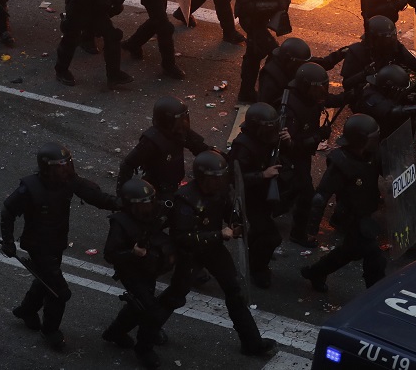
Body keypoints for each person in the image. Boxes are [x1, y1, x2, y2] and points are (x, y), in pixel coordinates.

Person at [0, 142, 121, 351]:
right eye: (59, 166)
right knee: (59, 292)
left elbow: (95, 197)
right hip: (38, 246)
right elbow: (8, 211)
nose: (64, 170)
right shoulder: (29, 188)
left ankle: (26, 310)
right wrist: (8, 242)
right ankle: (50, 331)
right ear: (47, 168)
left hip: (56, 243)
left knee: (45, 281)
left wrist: (123, 204)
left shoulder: (69, 181)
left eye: (66, 165)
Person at [158, 151, 277, 357]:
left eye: (221, 177)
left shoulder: (220, 191)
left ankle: (251, 342)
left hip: (213, 250)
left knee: (235, 292)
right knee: (176, 295)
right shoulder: (185, 199)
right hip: (191, 254)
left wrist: (237, 223)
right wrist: (219, 234)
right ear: (203, 177)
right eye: (215, 178)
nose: (219, 181)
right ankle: (148, 331)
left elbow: (228, 211)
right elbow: (182, 236)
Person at [300, 114, 386, 292]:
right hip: (351, 217)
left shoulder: (372, 153)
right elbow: (320, 197)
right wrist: (312, 229)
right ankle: (376, 294)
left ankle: (315, 272)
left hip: (367, 212)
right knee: (374, 256)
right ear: (361, 140)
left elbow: (385, 169)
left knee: (349, 251)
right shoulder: (341, 163)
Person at [101, 179, 174, 369]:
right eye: (143, 204)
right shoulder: (120, 223)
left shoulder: (155, 212)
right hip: (131, 272)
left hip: (149, 268)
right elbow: (110, 254)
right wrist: (132, 253)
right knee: (151, 310)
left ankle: (114, 332)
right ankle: (144, 349)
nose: (148, 207)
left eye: (150, 202)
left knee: (138, 307)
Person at [235, 0, 306, 103]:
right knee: (274, 54)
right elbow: (247, 6)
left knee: (254, 54)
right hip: (252, 21)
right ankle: (262, 91)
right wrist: (275, 4)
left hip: (261, 20)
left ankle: (246, 92)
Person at [281, 62, 345, 248]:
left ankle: (282, 204)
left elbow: (329, 100)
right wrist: (317, 136)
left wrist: (351, 95)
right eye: (318, 88)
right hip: (292, 159)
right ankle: (298, 234)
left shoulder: (310, 98)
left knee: (296, 189)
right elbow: (291, 145)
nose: (321, 93)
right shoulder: (290, 110)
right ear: (305, 86)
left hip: (303, 156)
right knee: (307, 196)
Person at [225, 102, 283, 289]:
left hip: (263, 194)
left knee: (260, 232)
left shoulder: (265, 137)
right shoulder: (242, 146)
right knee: (272, 237)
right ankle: (258, 268)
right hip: (250, 197)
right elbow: (234, 177)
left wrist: (287, 140)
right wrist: (262, 175)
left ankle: (256, 252)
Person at [117, 96, 212, 201]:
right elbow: (127, 164)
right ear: (167, 121)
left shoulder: (180, 131)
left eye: (184, 118)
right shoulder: (152, 141)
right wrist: (122, 198)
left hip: (174, 185)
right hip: (157, 191)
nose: (183, 123)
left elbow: (200, 147)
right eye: (179, 120)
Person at [341, 15, 416, 109]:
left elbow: (414, 63)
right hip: (366, 98)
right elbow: (347, 84)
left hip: (389, 93)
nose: (390, 42)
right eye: (386, 39)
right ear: (374, 39)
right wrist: (364, 74)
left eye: (392, 37)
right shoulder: (357, 51)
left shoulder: (393, 47)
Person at [256, 37, 347, 108]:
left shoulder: (295, 62)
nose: (304, 65)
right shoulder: (271, 79)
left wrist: (341, 53)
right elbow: (266, 107)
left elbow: (321, 64)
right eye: (301, 63)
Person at [357, 64, 416, 140]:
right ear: (387, 86)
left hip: (395, 137)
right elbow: (390, 111)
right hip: (375, 138)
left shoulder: (388, 94)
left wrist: (410, 100)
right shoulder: (370, 96)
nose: (399, 91)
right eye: (397, 89)